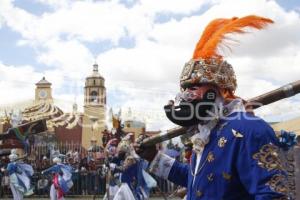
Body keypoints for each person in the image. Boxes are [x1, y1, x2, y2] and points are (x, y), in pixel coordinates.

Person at [136, 15, 291, 199]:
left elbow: (273, 195)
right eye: (184, 89)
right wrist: (155, 157)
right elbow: (199, 182)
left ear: (218, 90)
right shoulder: (205, 133)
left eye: (193, 88)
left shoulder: (249, 129)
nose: (185, 96)